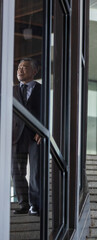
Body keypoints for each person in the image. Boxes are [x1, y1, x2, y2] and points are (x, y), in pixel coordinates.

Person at [12, 58, 42, 216]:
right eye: (19, 67)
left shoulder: (41, 89)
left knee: (35, 172)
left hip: (35, 136)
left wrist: (43, 130)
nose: (20, 70)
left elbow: (48, 111)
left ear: (34, 71)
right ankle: (23, 204)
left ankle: (35, 205)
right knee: (16, 171)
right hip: (15, 136)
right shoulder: (11, 91)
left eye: (24, 67)